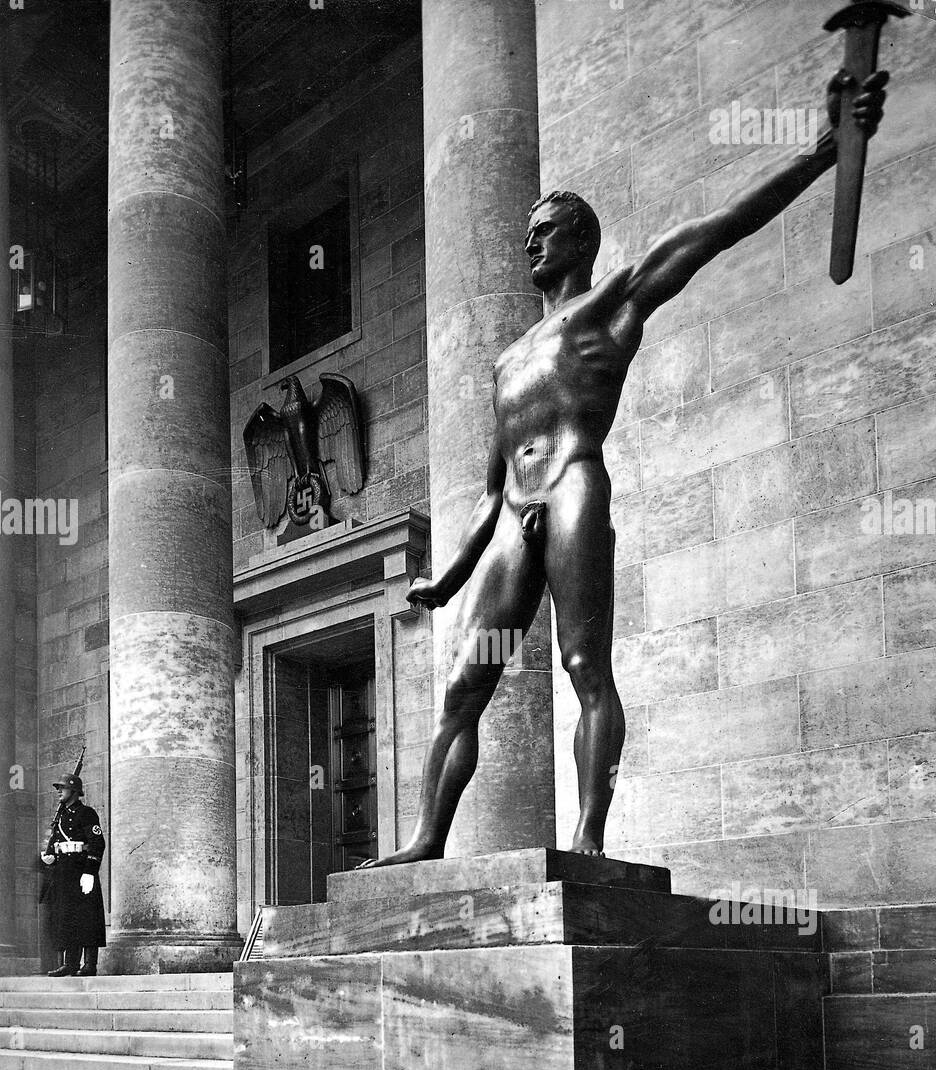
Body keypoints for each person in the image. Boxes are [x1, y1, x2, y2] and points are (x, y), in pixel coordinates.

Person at [360, 68, 889, 869]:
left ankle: (589, 838)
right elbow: (486, 489)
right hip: (513, 518)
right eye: (528, 232)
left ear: (580, 239)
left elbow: (715, 231)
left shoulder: (613, 303)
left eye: (544, 229)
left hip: (574, 488)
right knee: (467, 685)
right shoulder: (507, 360)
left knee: (584, 666)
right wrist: (449, 576)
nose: (530, 242)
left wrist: (821, 152)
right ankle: (428, 838)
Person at [40, 772, 106, 977]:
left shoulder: (86, 813)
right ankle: (70, 964)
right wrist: (50, 855)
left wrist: (90, 872)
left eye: (62, 788)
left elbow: (97, 843)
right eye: (58, 788)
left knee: (87, 917)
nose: (58, 791)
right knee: (66, 917)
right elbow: (55, 841)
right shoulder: (60, 815)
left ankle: (89, 965)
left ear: (74, 791)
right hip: (63, 873)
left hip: (81, 870)